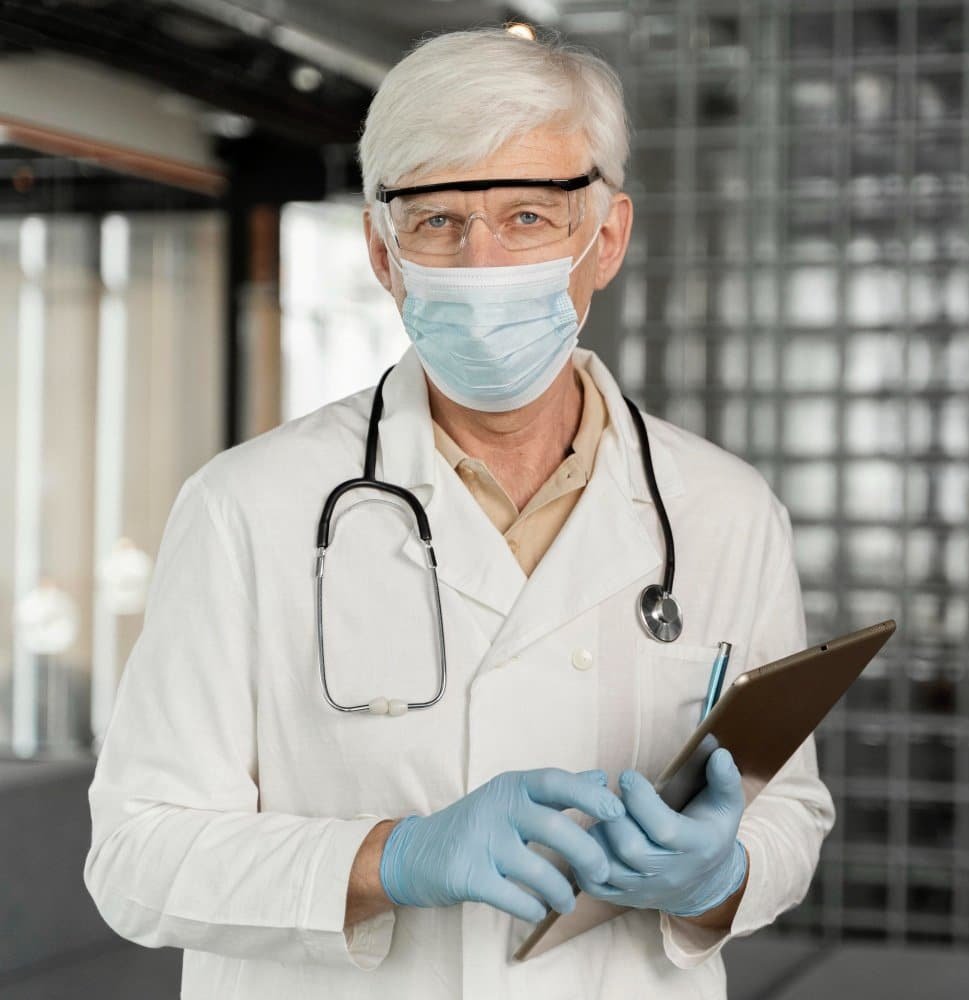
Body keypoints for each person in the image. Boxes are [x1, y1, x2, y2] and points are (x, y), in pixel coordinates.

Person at [85, 26, 835, 999]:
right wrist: (391, 859)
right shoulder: (246, 507)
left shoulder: (724, 511)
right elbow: (137, 857)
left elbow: (789, 812)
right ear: (382, 251)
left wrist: (719, 875)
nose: (481, 261)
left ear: (604, 238)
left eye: (529, 216)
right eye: (438, 221)